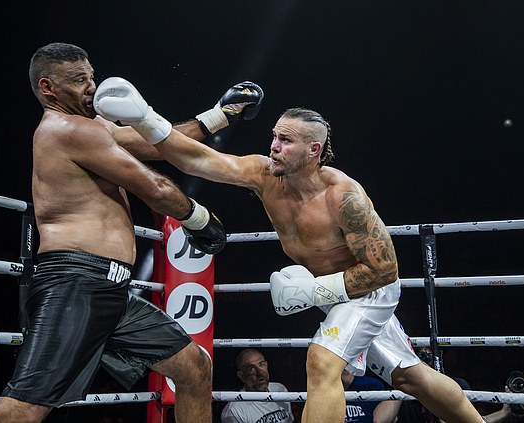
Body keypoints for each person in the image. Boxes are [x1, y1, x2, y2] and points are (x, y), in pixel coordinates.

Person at [92, 78, 486, 423]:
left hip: (369, 291)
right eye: (275, 136)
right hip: (337, 296)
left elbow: (384, 271)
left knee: (321, 360)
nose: (274, 146)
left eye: (286, 140)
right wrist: (144, 117)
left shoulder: (344, 197)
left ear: (314, 149)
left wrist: (315, 291)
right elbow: (196, 159)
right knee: (409, 376)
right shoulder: (265, 176)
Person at [0, 42, 250, 423]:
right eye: (78, 80)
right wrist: (200, 219)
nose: (92, 87)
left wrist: (220, 115)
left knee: (194, 369)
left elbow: (158, 143)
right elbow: (154, 188)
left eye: (91, 77)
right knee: (20, 414)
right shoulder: (66, 129)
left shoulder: (93, 127)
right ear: (47, 88)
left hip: (112, 292)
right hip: (76, 284)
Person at [220, 348, 294, 423]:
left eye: (261, 364)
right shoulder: (234, 411)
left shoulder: (280, 389)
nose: (260, 372)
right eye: (251, 368)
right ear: (241, 376)